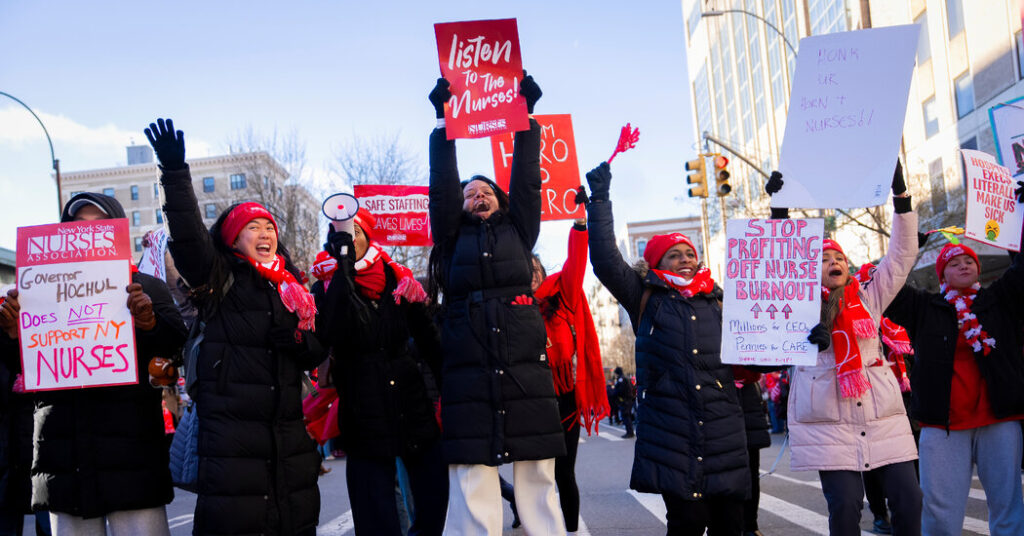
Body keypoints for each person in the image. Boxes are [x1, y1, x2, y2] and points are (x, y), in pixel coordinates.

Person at [145, 118, 324, 535]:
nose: (265, 234)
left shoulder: (294, 288)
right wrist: (174, 172)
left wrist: (298, 342)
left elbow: (318, 349)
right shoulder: (218, 279)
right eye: (252, 227)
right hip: (232, 443)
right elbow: (189, 237)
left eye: (269, 228)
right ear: (231, 239)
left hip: (287, 441)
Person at [426, 75, 566, 535]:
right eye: (469, 193)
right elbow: (442, 186)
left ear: (500, 201)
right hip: (468, 363)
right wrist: (443, 122)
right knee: (472, 471)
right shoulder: (450, 237)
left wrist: (526, 117)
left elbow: (526, 180)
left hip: (522, 361)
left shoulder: (519, 229)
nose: (478, 195)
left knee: (537, 467)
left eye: (486, 190)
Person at [0, 192, 187, 535]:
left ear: (116, 232)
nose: (87, 235)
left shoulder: (146, 287)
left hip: (132, 454)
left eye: (99, 225)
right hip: (62, 455)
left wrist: (149, 324)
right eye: (77, 226)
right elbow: (18, 367)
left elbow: (175, 346)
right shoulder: (35, 290)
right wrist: (11, 335)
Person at [585, 161, 749, 535]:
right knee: (687, 522)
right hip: (670, 430)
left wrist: (802, 341)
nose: (685, 260)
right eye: (675, 255)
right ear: (657, 263)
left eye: (689, 254)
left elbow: (754, 353)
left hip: (722, 428)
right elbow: (606, 261)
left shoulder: (720, 300)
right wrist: (599, 200)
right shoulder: (645, 296)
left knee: (730, 524)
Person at [767, 165, 923, 536]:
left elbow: (901, 257)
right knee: (845, 506)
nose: (834, 263)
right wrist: (778, 211)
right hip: (828, 424)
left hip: (882, 418)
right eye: (823, 260)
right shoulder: (794, 304)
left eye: (838, 258)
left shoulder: (869, 297)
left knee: (910, 500)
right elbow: (776, 264)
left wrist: (901, 197)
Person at [313, 208, 448, 535]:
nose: (349, 238)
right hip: (363, 409)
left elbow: (429, 339)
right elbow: (329, 331)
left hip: (410, 402)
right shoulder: (324, 286)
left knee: (434, 492)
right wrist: (343, 269)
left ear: (368, 237)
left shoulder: (398, 278)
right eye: (341, 234)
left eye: (355, 232)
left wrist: (448, 385)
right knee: (374, 509)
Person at [885, 234, 1024, 535]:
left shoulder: (1000, 298)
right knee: (939, 511)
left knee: (1008, 504)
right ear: (942, 275)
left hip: (999, 420)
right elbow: (887, 287)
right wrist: (908, 248)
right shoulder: (924, 307)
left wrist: (1015, 230)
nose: (963, 266)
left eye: (969, 261)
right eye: (954, 263)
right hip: (943, 425)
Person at [528, 205, 610, 533]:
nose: (531, 275)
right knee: (536, 477)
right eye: (524, 269)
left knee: (564, 473)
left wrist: (579, 225)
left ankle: (572, 530)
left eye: (535, 269)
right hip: (530, 401)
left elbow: (575, 263)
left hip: (564, 401)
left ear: (543, 272)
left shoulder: (564, 296)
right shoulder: (510, 308)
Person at [733, 367, 770, 536]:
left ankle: (749, 525)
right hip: (719, 394)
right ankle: (743, 525)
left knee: (751, 471)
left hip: (747, 397)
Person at [612, 367, 635, 438]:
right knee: (627, 416)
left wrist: (615, 394)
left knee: (626, 416)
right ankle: (630, 432)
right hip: (628, 400)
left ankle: (629, 433)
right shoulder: (626, 378)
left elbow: (620, 390)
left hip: (624, 400)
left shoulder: (621, 379)